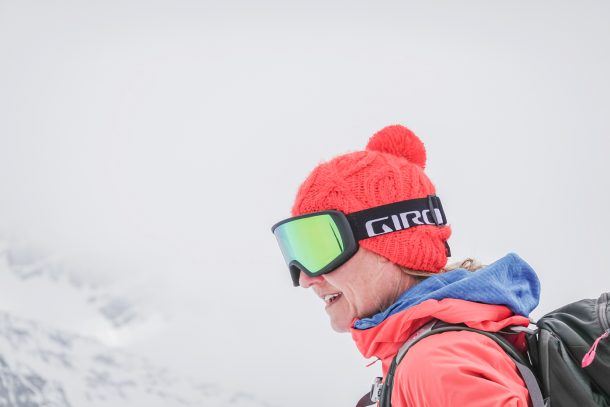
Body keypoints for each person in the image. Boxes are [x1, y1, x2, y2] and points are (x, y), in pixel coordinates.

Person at [271, 125, 541, 406]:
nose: (305, 278)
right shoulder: (440, 348)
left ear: (389, 243)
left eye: (321, 248)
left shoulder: (433, 366)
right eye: (298, 249)